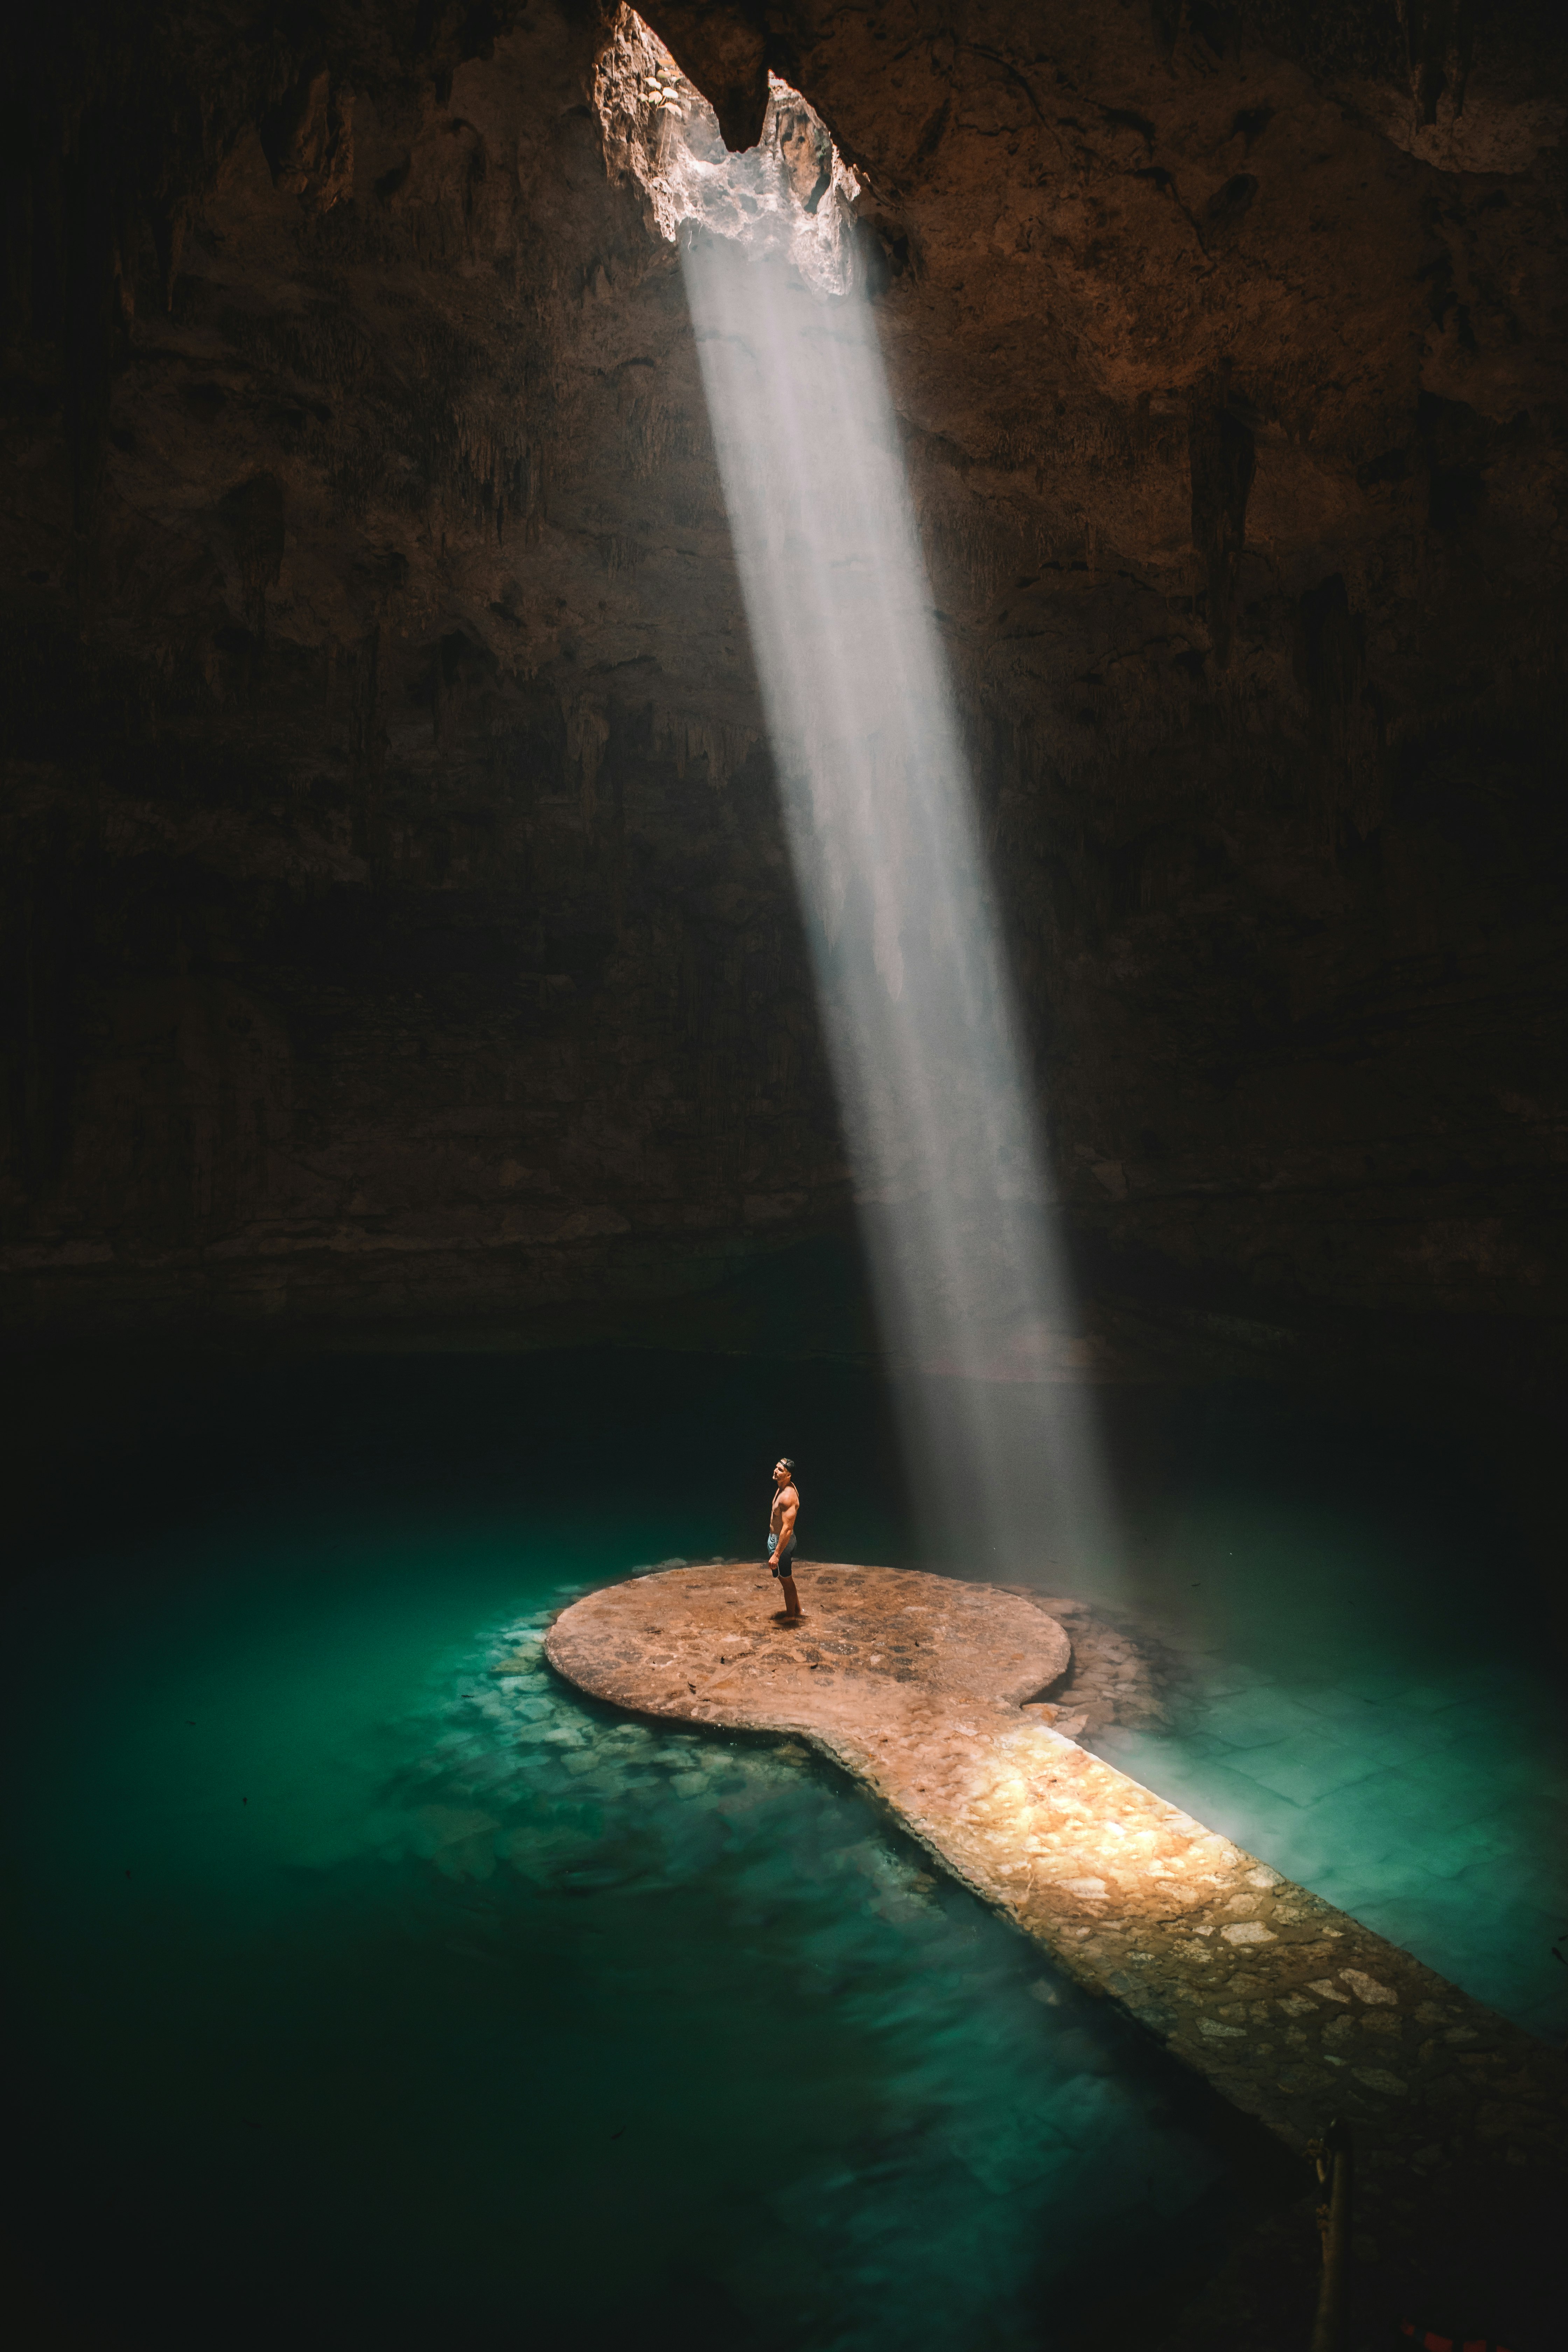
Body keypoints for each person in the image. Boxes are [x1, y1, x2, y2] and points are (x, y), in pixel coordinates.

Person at [763, 1457, 802, 1620]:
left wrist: (777, 1554)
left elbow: (788, 1528)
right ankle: (798, 1610)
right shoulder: (783, 1486)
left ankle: (790, 1617)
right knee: (788, 1580)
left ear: (789, 1475)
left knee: (786, 1581)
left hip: (782, 1542)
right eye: (776, 1468)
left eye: (781, 1470)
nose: (776, 1471)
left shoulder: (788, 1497)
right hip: (779, 1539)